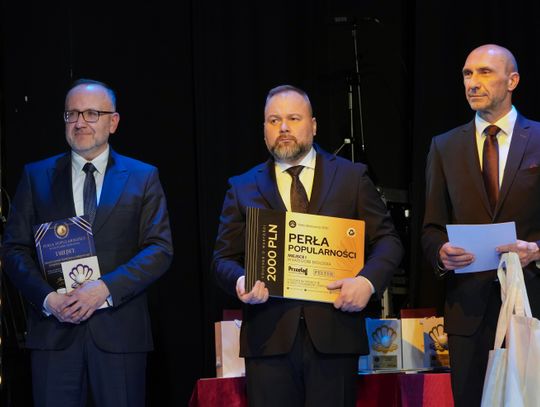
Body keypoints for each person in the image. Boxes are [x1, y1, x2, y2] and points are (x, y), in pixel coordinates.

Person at [212, 84, 403, 406]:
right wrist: (241, 281)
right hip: (268, 341)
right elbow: (222, 259)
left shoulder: (352, 177)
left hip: (335, 337)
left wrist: (366, 282)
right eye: (274, 120)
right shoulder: (242, 186)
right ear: (264, 130)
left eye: (293, 118)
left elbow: (388, 241)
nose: (283, 128)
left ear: (313, 126)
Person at [1, 78, 173, 407]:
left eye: (92, 113)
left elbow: (159, 249)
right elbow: (14, 249)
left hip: (120, 336)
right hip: (54, 334)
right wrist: (48, 299)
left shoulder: (143, 177)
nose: (80, 122)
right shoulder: (36, 176)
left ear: (113, 122)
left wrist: (104, 289)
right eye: (72, 114)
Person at [422, 44, 540, 406]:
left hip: (531, 302)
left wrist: (536, 250)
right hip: (468, 310)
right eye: (467, 74)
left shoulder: (538, 138)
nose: (473, 82)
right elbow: (431, 228)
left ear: (512, 80)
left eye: (485, 72)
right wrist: (441, 253)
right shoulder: (444, 146)